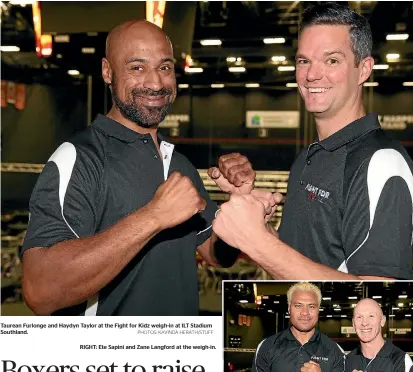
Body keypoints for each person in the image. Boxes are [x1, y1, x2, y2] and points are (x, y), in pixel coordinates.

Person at [20, 20, 275, 316]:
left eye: (165, 67)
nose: (155, 83)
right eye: (137, 68)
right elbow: (40, 290)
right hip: (113, 361)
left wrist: (239, 206)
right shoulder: (79, 159)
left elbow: (216, 254)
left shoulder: (178, 163)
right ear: (107, 71)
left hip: (178, 357)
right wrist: (153, 217)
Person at [211, 2, 413, 280]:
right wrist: (256, 225)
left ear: (364, 69)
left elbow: (376, 299)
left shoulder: (382, 165)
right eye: (304, 61)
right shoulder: (310, 157)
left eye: (332, 60)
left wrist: (258, 242)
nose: (312, 74)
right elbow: (302, 262)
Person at [247, 282, 350, 372]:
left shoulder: (334, 349)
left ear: (318, 309)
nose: (305, 313)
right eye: (298, 305)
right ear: (289, 308)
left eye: (311, 306)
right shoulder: (267, 346)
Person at [339, 298, 413, 372]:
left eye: (371, 316)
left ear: (382, 320)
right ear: (353, 323)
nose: (364, 323)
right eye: (359, 317)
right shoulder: (348, 359)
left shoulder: (400, 360)